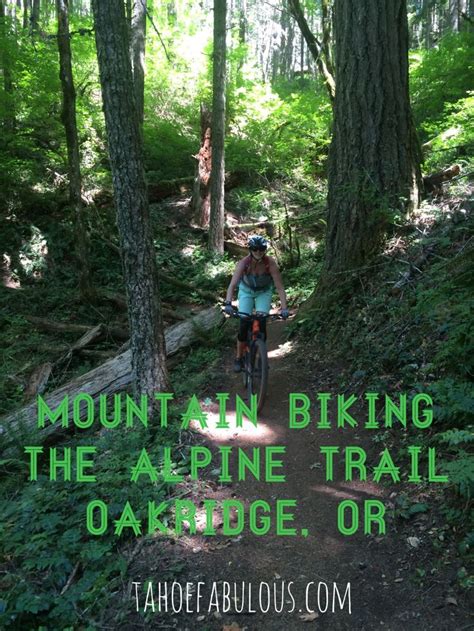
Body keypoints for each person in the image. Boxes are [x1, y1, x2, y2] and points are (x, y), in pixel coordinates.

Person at [224, 235, 289, 372]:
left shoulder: (270, 263)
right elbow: (232, 285)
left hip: (263, 292)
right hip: (246, 291)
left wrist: (284, 308)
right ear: (250, 249)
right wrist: (228, 303)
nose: (258, 252)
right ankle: (238, 357)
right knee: (243, 322)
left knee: (262, 321)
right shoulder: (243, 263)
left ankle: (262, 358)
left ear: (265, 249)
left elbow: (280, 287)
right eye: (255, 249)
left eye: (261, 249)